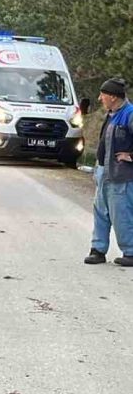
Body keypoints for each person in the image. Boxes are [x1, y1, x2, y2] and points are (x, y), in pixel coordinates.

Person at [86, 78, 133, 266]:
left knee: (121, 213)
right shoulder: (112, 114)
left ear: (113, 97)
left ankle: (130, 252)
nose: (99, 98)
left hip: (121, 176)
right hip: (104, 173)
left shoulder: (129, 114)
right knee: (100, 212)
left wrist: (131, 156)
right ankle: (97, 250)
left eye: (103, 94)